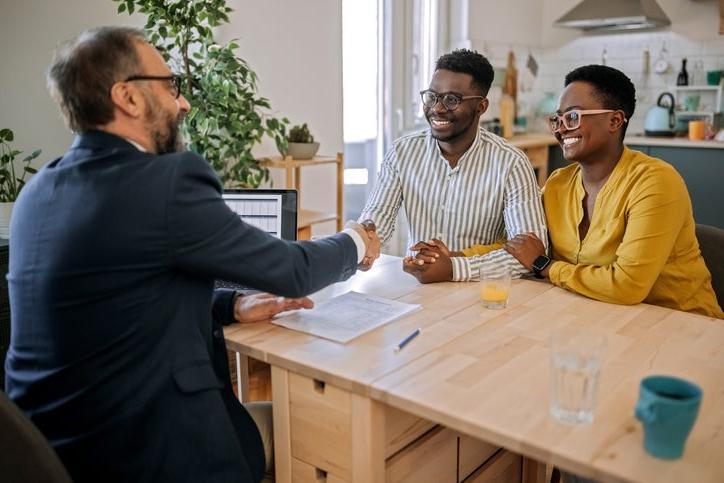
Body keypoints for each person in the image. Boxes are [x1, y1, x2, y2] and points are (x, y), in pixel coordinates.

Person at [5, 26, 380, 483]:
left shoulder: (39, 191)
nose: (182, 103)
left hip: (57, 452)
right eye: (170, 86)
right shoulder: (164, 181)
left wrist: (231, 304)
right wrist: (357, 239)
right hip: (151, 455)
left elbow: (119, 298)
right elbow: (292, 270)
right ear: (129, 97)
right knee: (318, 428)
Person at [503, 64, 722, 318]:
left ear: (615, 120)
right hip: (600, 315)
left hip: (683, 325)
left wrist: (545, 265)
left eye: (573, 117)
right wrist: (455, 260)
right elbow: (518, 240)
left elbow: (627, 285)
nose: (561, 129)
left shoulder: (656, 182)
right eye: (557, 119)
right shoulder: (557, 184)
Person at [358, 49, 547, 283]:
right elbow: (378, 216)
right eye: (432, 96)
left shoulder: (511, 163)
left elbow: (531, 253)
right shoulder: (402, 153)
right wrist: (365, 239)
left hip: (484, 295)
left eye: (451, 99)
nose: (437, 108)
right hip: (418, 288)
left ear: (481, 107)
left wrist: (454, 268)